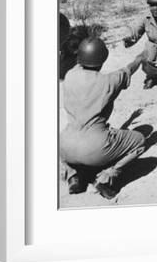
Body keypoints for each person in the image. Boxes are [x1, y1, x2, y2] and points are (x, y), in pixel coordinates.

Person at [60, 37, 146, 199]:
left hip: (64, 146)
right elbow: (129, 69)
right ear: (102, 59)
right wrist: (140, 58)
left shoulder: (70, 75)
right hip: (94, 149)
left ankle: (73, 176)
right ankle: (105, 179)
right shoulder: (109, 81)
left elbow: (80, 61)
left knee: (66, 141)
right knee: (139, 141)